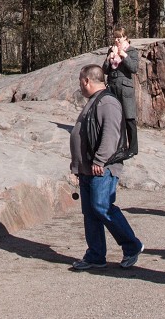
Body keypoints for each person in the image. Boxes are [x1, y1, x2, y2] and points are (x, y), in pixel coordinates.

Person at [68, 64, 143, 271]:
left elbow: (110, 135)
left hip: (103, 168)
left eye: (80, 82)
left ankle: (132, 246)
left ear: (86, 81)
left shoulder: (107, 102)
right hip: (88, 169)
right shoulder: (95, 102)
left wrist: (100, 160)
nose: (80, 87)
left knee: (102, 206)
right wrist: (77, 166)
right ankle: (95, 255)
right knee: (91, 212)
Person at [103, 27, 140, 158]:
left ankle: (133, 148)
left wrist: (124, 56)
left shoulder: (132, 51)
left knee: (129, 118)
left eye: (119, 37)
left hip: (125, 88)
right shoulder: (111, 50)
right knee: (116, 118)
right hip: (112, 87)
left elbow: (134, 68)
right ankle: (119, 145)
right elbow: (105, 70)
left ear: (125, 37)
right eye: (115, 37)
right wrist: (109, 57)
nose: (117, 40)